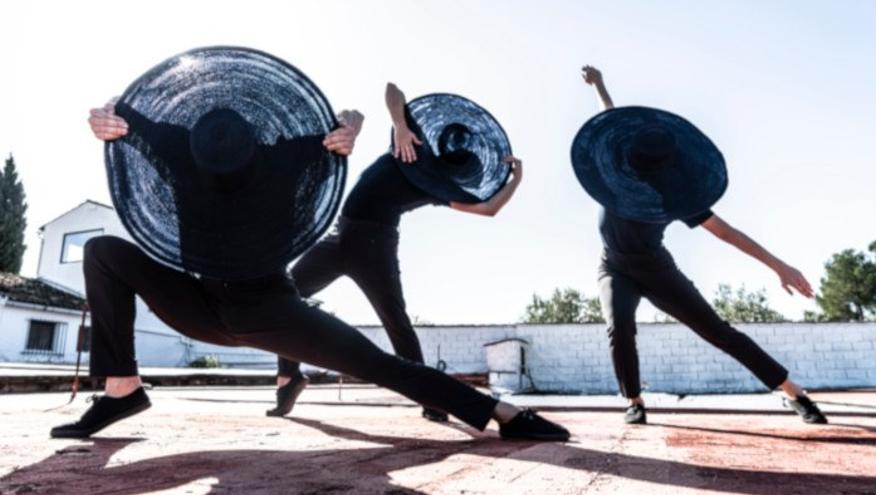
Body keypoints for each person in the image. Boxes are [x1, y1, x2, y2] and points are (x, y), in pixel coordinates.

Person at [48, 100, 569, 442]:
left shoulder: (283, 159)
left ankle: (503, 415)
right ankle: (122, 391)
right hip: (199, 306)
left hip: (271, 309)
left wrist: (351, 126)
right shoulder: (181, 148)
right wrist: (103, 116)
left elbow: (342, 123)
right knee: (102, 251)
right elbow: (119, 113)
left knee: (379, 363)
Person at [580, 65, 827, 425]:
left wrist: (780, 266)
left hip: (657, 270)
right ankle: (634, 400)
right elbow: (609, 117)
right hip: (614, 267)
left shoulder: (675, 195)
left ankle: (794, 393)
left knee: (717, 331)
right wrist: (600, 84)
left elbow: (727, 232)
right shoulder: (613, 167)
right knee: (619, 325)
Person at [269, 83, 523, 422]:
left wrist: (515, 180)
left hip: (375, 247)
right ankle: (289, 378)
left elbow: (488, 208)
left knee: (396, 321)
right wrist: (402, 127)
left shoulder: (438, 186)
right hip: (338, 235)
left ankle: (433, 399)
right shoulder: (411, 141)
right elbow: (392, 90)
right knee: (282, 296)